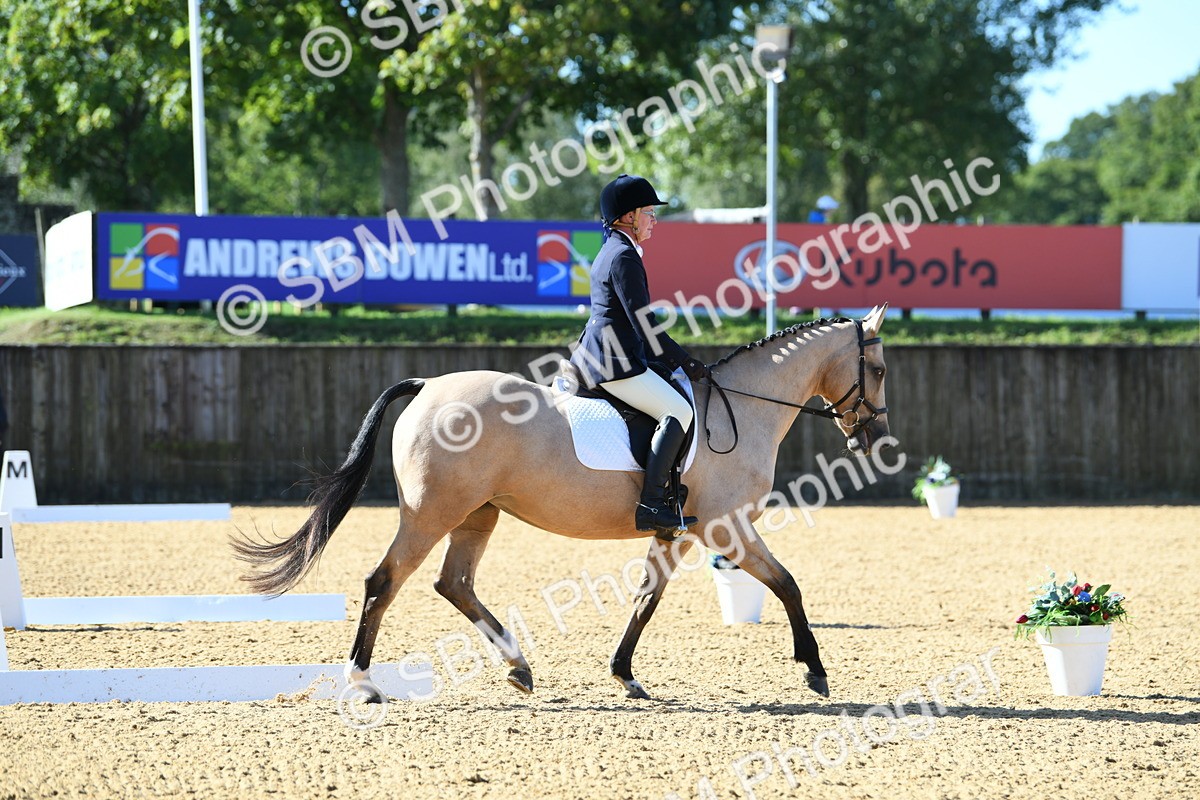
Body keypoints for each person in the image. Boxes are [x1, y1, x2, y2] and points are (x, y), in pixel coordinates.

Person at [570, 174, 708, 535]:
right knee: (678, 409)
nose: (653, 219)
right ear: (628, 216)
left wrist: (665, 360)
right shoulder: (624, 257)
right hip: (614, 363)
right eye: (648, 212)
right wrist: (684, 361)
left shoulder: (613, 250)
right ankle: (650, 505)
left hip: (606, 353)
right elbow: (644, 324)